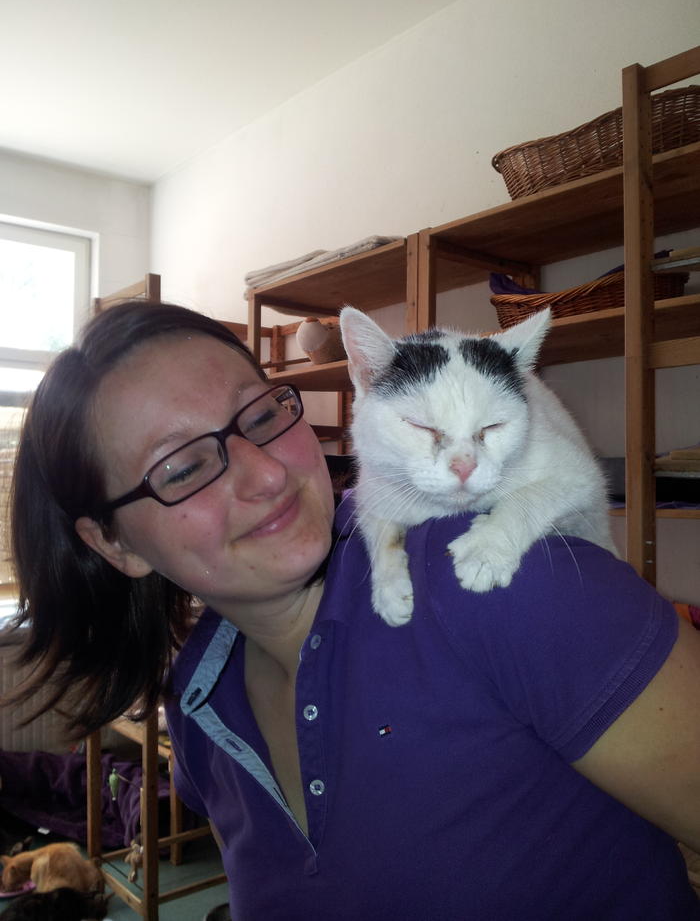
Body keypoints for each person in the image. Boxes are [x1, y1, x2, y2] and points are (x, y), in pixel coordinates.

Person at [3, 300, 700, 920]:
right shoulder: (199, 704)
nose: (268, 473)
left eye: (262, 415)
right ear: (116, 543)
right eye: (183, 468)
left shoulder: (505, 583)